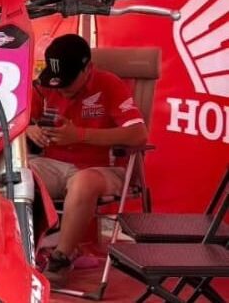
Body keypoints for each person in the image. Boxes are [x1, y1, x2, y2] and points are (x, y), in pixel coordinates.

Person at [26, 34, 148, 287]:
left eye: (68, 81)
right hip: (52, 164)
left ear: (87, 68)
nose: (61, 88)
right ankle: (22, 253)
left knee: (83, 182)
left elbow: (139, 134)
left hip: (102, 168)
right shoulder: (44, 85)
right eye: (57, 81)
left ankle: (61, 258)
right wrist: (28, 129)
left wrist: (80, 135)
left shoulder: (109, 84)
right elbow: (14, 121)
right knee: (16, 174)